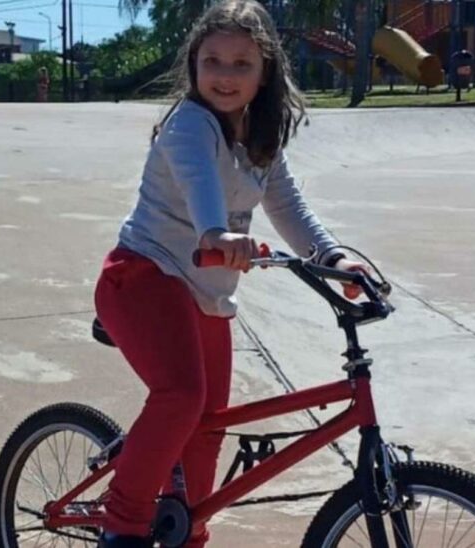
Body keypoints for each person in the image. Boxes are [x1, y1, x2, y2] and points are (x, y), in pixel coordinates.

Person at [93, 2, 367, 547]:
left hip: (205, 294)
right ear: (194, 64)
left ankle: (186, 533)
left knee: (208, 425)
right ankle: (121, 528)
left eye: (241, 63)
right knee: (182, 396)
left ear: (265, 71)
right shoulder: (189, 123)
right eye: (212, 60)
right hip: (144, 276)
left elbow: (287, 206)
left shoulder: (260, 134)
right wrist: (215, 234)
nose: (224, 74)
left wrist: (334, 258)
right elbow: (199, 182)